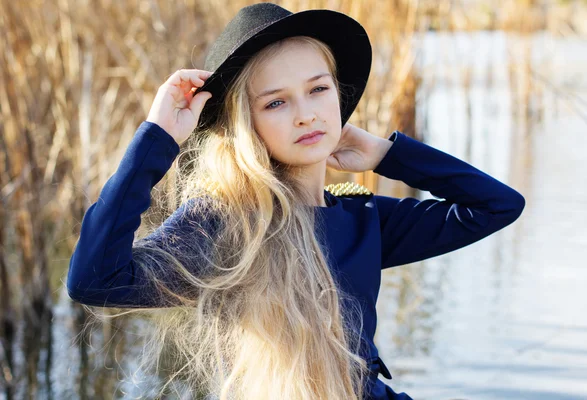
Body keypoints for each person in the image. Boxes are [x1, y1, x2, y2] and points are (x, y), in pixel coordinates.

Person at [67, 3, 525, 400]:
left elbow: (497, 206)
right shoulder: (225, 223)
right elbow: (94, 279)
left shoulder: (363, 217)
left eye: (318, 89)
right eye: (275, 103)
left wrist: (388, 153)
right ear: (246, 125)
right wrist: (158, 138)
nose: (306, 113)